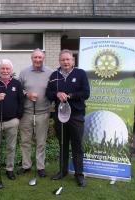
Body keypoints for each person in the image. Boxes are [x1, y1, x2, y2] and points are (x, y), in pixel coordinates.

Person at [46, 49, 90, 187]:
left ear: (73, 61)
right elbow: (48, 93)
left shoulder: (80, 73)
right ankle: (62, 171)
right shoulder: (54, 75)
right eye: (63, 60)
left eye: (68, 59)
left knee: (77, 146)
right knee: (63, 144)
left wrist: (69, 96)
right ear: (59, 61)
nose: (65, 62)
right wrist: (57, 94)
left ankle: (79, 175)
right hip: (60, 115)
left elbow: (86, 93)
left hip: (76, 115)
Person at [17, 49, 53, 177]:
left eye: (40, 57)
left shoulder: (51, 73)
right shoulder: (24, 72)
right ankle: (26, 165)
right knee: (25, 141)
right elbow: (18, 89)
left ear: (43, 58)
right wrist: (27, 94)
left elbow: (54, 90)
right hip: (26, 113)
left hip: (43, 113)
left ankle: (40, 167)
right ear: (31, 58)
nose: (37, 60)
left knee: (41, 142)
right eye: (35, 57)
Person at [0, 59, 24, 181]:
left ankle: (9, 169)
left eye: (7, 68)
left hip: (12, 121)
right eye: (3, 68)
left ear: (11, 70)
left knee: (11, 147)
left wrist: (18, 117)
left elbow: (21, 102)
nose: (5, 71)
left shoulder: (17, 84)